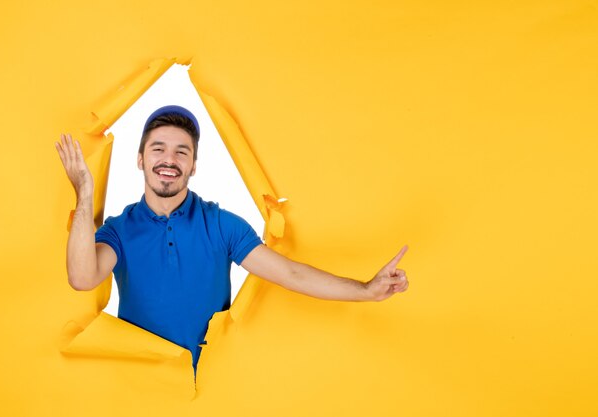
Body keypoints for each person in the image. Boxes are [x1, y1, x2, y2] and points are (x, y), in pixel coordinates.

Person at [55, 105, 409, 371]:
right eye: (158, 149)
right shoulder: (120, 229)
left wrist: (365, 290)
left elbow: (291, 274)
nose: (169, 159)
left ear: (193, 165)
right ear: (140, 159)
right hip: (142, 385)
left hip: (213, 386)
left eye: (182, 151)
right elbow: (82, 277)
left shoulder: (222, 224)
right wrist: (84, 194)